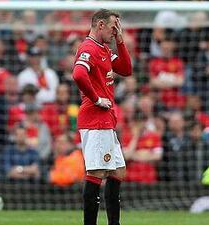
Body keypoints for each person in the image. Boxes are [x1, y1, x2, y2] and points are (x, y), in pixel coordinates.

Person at [72, 9, 132, 225]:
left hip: (107, 121)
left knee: (118, 172)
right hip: (95, 119)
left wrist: (120, 40)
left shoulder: (104, 49)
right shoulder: (88, 48)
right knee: (96, 172)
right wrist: (97, 99)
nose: (115, 31)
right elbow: (78, 74)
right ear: (100, 25)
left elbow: (126, 69)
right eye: (113, 26)